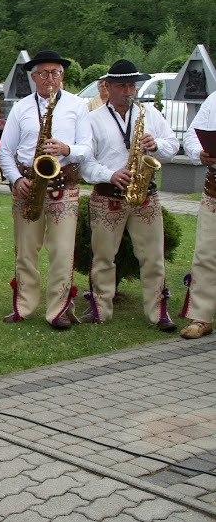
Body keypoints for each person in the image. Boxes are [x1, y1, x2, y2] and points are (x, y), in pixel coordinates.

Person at [79, 60, 179, 330]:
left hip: (145, 195)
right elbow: (85, 164)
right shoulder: (93, 119)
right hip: (107, 195)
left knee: (153, 256)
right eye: (122, 85)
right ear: (107, 87)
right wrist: (109, 174)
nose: (128, 91)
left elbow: (172, 145)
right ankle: (100, 309)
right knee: (103, 257)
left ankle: (157, 311)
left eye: (132, 85)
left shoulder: (150, 113)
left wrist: (155, 145)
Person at [0, 50, 92, 329]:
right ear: (34, 77)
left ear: (62, 76)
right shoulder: (21, 108)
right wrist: (17, 180)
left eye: (55, 73)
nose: (50, 79)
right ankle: (24, 306)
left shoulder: (77, 105)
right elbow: (5, 151)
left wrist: (66, 149)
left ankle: (58, 309)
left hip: (63, 183)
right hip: (28, 185)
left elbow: (87, 148)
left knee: (62, 250)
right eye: (44, 73)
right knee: (26, 250)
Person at [180, 88, 216, 339]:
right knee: (205, 253)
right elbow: (192, 135)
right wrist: (199, 153)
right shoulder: (214, 99)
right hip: (214, 188)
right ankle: (201, 316)